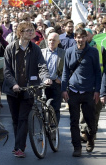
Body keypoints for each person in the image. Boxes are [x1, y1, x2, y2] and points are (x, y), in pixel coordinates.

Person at [3, 21, 51, 158]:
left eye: (32, 30)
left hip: (29, 89)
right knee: (15, 120)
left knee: (23, 118)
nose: (32, 33)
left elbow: (42, 65)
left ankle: (18, 148)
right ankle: (21, 143)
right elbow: (6, 71)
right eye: (28, 30)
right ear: (20, 33)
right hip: (13, 90)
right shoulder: (10, 48)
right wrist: (14, 84)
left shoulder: (35, 49)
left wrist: (46, 78)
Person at [62, 27, 100, 157]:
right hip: (73, 91)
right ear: (75, 38)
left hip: (89, 91)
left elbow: (97, 73)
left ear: (86, 38)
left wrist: (97, 91)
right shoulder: (69, 52)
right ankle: (77, 147)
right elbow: (65, 71)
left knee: (90, 120)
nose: (81, 39)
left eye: (83, 37)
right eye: (78, 37)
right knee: (74, 121)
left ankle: (91, 137)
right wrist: (63, 89)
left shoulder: (93, 52)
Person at [41, 32, 65, 124]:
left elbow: (67, 69)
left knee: (55, 108)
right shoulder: (41, 52)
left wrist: (61, 79)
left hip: (56, 83)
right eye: (50, 40)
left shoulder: (63, 53)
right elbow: (38, 67)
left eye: (54, 40)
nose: (51, 42)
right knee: (44, 108)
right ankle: (44, 130)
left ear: (58, 42)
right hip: (44, 83)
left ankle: (54, 130)